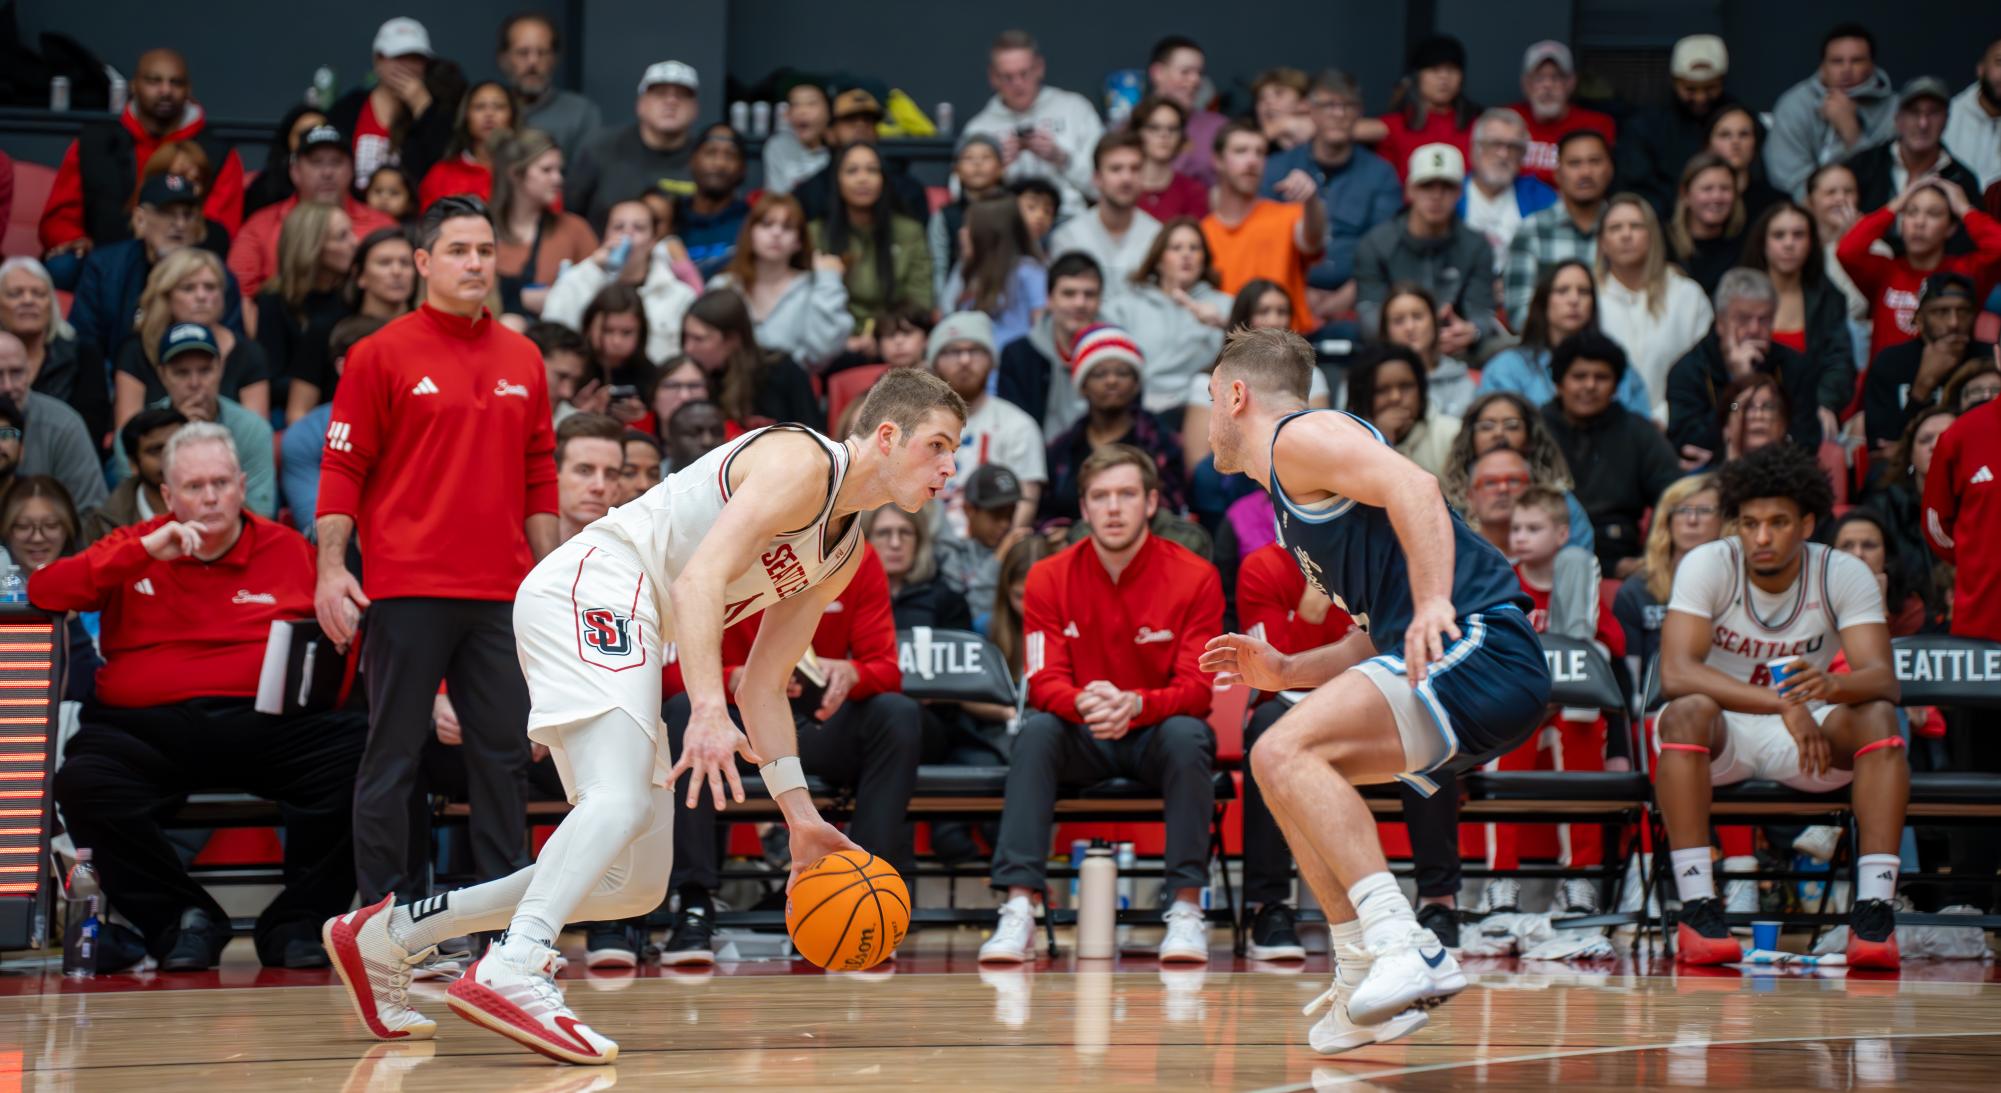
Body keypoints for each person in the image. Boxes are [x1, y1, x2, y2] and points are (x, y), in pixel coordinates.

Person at [324, 368, 963, 1058]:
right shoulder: (800, 460)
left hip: (634, 615)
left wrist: (800, 816)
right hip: (596, 582)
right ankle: (514, 960)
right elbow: (697, 581)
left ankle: (390, 936)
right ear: (889, 436)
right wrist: (706, 712)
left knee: (630, 885)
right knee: (618, 801)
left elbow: (765, 683)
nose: (949, 467)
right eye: (938, 445)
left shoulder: (844, 552)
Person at [1197, 327, 1549, 1053]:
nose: (1206, 420)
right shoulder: (1296, 492)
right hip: (1450, 658)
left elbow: (1414, 485)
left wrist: (1429, 601)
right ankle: (1361, 959)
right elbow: (1371, 631)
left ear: (1236, 395)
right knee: (1281, 761)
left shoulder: (1299, 435)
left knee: (1284, 746)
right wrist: (1287, 671)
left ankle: (1404, 941)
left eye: (1208, 400)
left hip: (1480, 643)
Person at [41, 422, 367, 971]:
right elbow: (48, 590)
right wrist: (144, 550)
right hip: (144, 729)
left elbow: (346, 637)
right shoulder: (136, 545)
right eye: (193, 487)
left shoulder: (290, 549)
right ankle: (182, 920)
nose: (210, 497)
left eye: (221, 482)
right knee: (85, 782)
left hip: (267, 725)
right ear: (168, 495)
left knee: (367, 759)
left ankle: (299, 921)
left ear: (243, 485)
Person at [314, 196, 561, 910]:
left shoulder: (524, 356)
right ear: (423, 262)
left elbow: (540, 470)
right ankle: (381, 926)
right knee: (392, 759)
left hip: (501, 593)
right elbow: (343, 468)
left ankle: (500, 936)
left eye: (485, 249)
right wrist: (332, 568)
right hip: (406, 587)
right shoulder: (378, 353)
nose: (475, 262)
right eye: (458, 250)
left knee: (502, 763)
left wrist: (547, 579)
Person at [1657, 444, 1906, 968]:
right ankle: (1699, 908)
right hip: (1723, 734)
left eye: (1777, 522)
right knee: (1685, 710)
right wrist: (1782, 704)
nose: (1761, 537)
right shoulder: (1709, 563)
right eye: (1749, 523)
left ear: (1808, 523)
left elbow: (1882, 678)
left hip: (1809, 737)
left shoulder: (1842, 572)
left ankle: (1873, 915)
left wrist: (1828, 691)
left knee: (1880, 718)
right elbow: (1676, 672)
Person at [979, 445, 1221, 964]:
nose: (1113, 508)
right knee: (1035, 731)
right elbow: (1042, 681)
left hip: (1154, 734)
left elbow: (1198, 690)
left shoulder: (1196, 576)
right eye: (1101, 497)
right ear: (1084, 508)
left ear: (1152, 502)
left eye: (1127, 495)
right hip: (1081, 731)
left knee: (1189, 735)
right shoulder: (1047, 576)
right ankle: (1018, 909)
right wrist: (1090, 702)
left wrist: (1136, 704)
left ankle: (1185, 912)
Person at [657, 529, 925, 967]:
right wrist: (726, 678)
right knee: (687, 711)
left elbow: (887, 668)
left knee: (897, 715)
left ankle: (868, 881)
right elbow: (664, 670)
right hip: (736, 727)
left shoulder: (853, 553)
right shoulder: (713, 553)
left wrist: (852, 674)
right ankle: (692, 903)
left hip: (818, 724)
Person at [1483, 485, 1625, 917]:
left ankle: (1579, 877)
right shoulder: (1504, 579)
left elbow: (1603, 653)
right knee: (1508, 741)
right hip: (1520, 703)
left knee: (1582, 726)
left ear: (1562, 534)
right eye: (1516, 528)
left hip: (1568, 704)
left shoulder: (1580, 577)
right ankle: (1501, 878)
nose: (1520, 536)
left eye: (1534, 528)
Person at [37, 48, 244, 257]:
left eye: (176, 83)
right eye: (154, 81)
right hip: (101, 257)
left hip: (184, 262)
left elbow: (220, 230)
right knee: (63, 265)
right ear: (134, 86)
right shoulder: (93, 143)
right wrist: (75, 241)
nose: (165, 90)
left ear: (189, 90)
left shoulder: (217, 152)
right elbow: (59, 218)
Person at [1261, 70, 1402, 329]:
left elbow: (1385, 247)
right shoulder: (1276, 168)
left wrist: (1345, 297)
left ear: (1359, 112)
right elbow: (1263, 239)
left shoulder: (1380, 173)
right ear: (1311, 112)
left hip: (1359, 300)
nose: (1338, 114)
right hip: (1283, 298)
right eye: (1329, 105)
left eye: (1347, 105)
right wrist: (1294, 290)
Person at [1540, 331, 1682, 575]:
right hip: (1543, 553)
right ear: (1559, 383)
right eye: (1579, 376)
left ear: (1616, 385)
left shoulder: (1638, 431)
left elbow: (1674, 496)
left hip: (1622, 556)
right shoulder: (1536, 429)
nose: (1590, 385)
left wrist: (1653, 555)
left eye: (1601, 377)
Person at [71, 174, 246, 364]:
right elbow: (84, 341)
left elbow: (234, 347)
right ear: (140, 219)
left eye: (187, 215)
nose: (180, 224)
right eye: (167, 213)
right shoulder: (104, 267)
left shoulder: (217, 277)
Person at [1667, 268, 1827, 467]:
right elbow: (1689, 444)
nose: (1754, 329)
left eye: (1764, 320)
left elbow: (1807, 440)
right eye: (1743, 319)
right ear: (1720, 323)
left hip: (1779, 474)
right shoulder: (1688, 370)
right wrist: (1739, 386)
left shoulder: (1794, 366)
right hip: (1714, 479)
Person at [1354, 145, 1495, 355]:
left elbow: (1481, 312)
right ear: (1410, 190)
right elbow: (1369, 316)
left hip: (1455, 349)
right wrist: (1417, 336)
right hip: (1393, 349)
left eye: (1446, 186)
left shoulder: (1477, 246)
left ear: (1459, 192)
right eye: (1427, 186)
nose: (1436, 196)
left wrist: (1471, 332)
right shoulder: (1375, 244)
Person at [1838, 176, 2001, 356]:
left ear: (1951, 228)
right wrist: (1896, 204)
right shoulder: (1884, 271)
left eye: (1933, 213)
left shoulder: (1964, 272)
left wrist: (1965, 209)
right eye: (1911, 212)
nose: (1919, 223)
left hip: (1948, 378)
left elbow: (1998, 247)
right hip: (1886, 380)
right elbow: (1847, 251)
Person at [1039, 323, 1185, 521]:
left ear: (1136, 384)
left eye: (1122, 373)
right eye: (1099, 374)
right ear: (1082, 386)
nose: (1111, 381)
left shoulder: (1160, 441)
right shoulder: (1062, 449)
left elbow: (1171, 509)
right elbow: (1045, 513)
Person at [229, 125, 396, 298]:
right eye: (316, 162)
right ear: (295, 171)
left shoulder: (382, 226)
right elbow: (239, 294)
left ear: (352, 170)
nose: (327, 172)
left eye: (336, 162)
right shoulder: (260, 225)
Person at [112, 248, 270, 431]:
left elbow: (257, 434)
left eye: (210, 287)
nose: (202, 296)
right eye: (188, 288)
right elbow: (126, 439)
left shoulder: (249, 353)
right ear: (166, 296)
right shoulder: (136, 351)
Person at [962, 30, 1104, 219]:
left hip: (1069, 217)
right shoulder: (979, 128)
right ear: (993, 77)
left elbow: (1104, 186)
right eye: (1007, 77)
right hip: (1004, 223)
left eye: (1024, 73)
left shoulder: (1075, 109)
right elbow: (961, 196)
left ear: (1039, 68)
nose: (1018, 84)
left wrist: (1061, 158)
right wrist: (996, 168)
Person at [1594, 193, 1712, 415]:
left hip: (1677, 427)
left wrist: (1664, 417)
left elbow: (1705, 372)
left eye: (1636, 226)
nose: (1626, 235)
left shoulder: (1688, 296)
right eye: (1615, 228)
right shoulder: (1590, 298)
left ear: (1652, 236)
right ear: (1603, 243)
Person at [1204, 121, 1327, 336]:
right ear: (1218, 160)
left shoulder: (1289, 214)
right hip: (1230, 348)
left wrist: (1312, 200)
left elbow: (1313, 239)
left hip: (1289, 347)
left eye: (1260, 153)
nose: (1252, 161)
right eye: (1241, 151)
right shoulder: (1202, 232)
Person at [1484, 259, 1649, 415]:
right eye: (1562, 291)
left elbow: (1639, 430)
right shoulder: (1507, 368)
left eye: (1583, 292)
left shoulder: (1616, 365)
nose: (1574, 300)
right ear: (1544, 300)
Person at [282, 228, 415, 421]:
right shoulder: (327, 329)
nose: (397, 271)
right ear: (359, 275)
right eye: (384, 263)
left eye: (405, 263)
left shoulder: (430, 330)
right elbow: (298, 412)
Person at [708, 193, 851, 373]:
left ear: (799, 241)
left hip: (792, 388)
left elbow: (824, 351)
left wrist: (829, 280)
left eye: (787, 227)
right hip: (728, 382)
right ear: (750, 233)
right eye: (767, 224)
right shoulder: (723, 286)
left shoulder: (815, 287)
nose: (776, 233)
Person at [545, 199, 699, 362]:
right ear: (605, 235)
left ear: (653, 240)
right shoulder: (582, 281)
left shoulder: (678, 295)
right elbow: (553, 326)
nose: (627, 234)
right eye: (618, 227)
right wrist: (591, 265)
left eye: (638, 228)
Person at [811, 144, 933, 349]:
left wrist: (882, 335)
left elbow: (921, 300)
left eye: (872, 170)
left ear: (884, 179)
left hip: (895, 340)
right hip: (833, 343)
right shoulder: (814, 233)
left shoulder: (909, 231)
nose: (863, 178)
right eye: (852, 170)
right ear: (837, 180)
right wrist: (848, 341)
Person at [1440, 391, 1595, 551]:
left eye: (1512, 426)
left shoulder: (1558, 499)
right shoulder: (1452, 502)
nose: (1498, 433)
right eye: (1486, 427)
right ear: (1470, 438)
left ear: (1530, 437)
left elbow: (1578, 557)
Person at [1111, 217, 1234, 418]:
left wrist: (1223, 324)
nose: (1186, 254)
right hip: (1140, 409)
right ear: (1158, 261)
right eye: (1176, 248)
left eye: (1194, 248)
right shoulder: (1126, 307)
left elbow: (1255, 352)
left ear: (1204, 260)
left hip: (1202, 410)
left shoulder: (1226, 305)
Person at [930, 311, 1044, 526]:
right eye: (953, 351)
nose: (965, 360)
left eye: (975, 351)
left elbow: (1025, 502)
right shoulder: (915, 424)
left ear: (992, 361)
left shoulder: (1019, 425)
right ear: (935, 362)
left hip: (992, 550)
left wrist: (997, 557)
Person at [330, 18, 464, 192]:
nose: (408, 67)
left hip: (417, 215)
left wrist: (424, 108)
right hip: (356, 214)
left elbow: (445, 170)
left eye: (416, 59)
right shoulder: (350, 108)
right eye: (399, 57)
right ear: (378, 59)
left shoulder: (440, 111)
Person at [1766, 23, 1900, 197]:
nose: (1846, 70)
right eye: (1837, 61)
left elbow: (1890, 179)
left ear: (1871, 65)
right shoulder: (1794, 104)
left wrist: (1851, 132)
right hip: (1806, 212)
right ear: (1823, 66)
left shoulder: (1895, 109)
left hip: (1874, 210)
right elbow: (1787, 177)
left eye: (1856, 60)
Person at [1862, 272, 1990, 450]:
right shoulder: (1891, 363)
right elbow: (1882, 446)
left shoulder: (1990, 360)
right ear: (1919, 320)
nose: (1954, 322)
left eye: (1963, 311)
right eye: (1941, 312)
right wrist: (1923, 386)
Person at [567, 61, 700, 231]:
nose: (671, 101)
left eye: (682, 95)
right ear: (641, 104)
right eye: (660, 93)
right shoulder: (600, 148)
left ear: (695, 108)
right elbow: (569, 217)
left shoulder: (705, 158)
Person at [1612, 473, 1721, 676]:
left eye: (1705, 511)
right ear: (1667, 520)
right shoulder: (1636, 590)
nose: (1692, 520)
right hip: (1658, 703)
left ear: (1724, 519)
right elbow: (1629, 684)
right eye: (1682, 510)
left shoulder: (1738, 585)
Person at [280, 316, 382, 535]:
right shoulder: (304, 435)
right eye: (376, 360)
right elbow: (314, 527)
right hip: (345, 550)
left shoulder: (421, 423)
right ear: (343, 366)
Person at [1617, 34, 1735, 221]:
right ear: (1675, 81)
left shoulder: (1737, 121)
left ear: (1722, 81)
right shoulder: (1645, 126)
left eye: (1710, 88)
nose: (1700, 98)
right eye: (1690, 89)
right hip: (1664, 224)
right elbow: (1637, 186)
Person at [1502, 130, 1613, 326]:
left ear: (1610, 169)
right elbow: (1520, 314)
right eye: (1574, 163)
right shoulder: (1531, 231)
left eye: (1594, 161)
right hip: (1550, 351)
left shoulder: (1626, 229)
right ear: (1558, 174)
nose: (1586, 172)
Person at [251, 202, 354, 413]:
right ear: (312, 247)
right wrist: (317, 382)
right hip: (298, 411)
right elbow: (271, 378)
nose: (355, 241)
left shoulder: (354, 295)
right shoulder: (273, 301)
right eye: (342, 236)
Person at [0, 258, 110, 449]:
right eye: (15, 294)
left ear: (51, 304)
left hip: (65, 458)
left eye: (39, 293)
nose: (28, 301)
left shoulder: (83, 355)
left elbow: (91, 431)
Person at [487, 129, 597, 319]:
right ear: (515, 174)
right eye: (547, 170)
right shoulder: (483, 230)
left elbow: (601, 297)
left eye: (560, 170)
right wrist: (518, 299)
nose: (558, 179)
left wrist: (557, 299)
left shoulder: (574, 230)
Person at [999, 252, 1106, 442]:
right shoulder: (1019, 355)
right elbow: (1011, 429)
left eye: (1089, 294)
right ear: (1049, 299)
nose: (1079, 303)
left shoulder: (1117, 353)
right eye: (1069, 293)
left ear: (1100, 301)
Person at [679, 289, 821, 431]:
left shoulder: (783, 371)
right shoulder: (688, 378)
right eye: (685, 336)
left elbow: (816, 435)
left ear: (732, 340)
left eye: (699, 339)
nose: (688, 348)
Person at [0, 333, 108, 515]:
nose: (8, 386)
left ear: (29, 372)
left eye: (16, 373)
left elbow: (91, 513)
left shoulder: (63, 425)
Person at [790, 90, 933, 224]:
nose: (861, 124)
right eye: (849, 119)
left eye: (869, 119)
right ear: (830, 133)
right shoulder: (808, 193)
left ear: (877, 131)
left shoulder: (907, 189)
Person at [1847, 78, 1982, 218]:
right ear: (1898, 119)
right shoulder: (1864, 166)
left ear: (1946, 120)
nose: (1923, 124)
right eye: (1914, 112)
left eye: (1933, 113)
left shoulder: (1962, 181)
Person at [1048, 131, 1159, 297]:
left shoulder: (1157, 235)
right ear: (1097, 178)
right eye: (1116, 169)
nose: (1126, 178)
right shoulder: (1068, 238)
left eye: (1135, 169)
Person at [1356, 35, 1479, 185]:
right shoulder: (1393, 125)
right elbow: (1334, 130)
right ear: (1417, 76)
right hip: (1405, 206)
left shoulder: (1478, 126)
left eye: (1452, 69)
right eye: (1434, 69)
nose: (1444, 77)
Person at [1458, 109, 1557, 276]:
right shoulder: (1452, 194)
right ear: (1476, 148)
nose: (1503, 154)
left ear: (1523, 155)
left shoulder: (1541, 197)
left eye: (1513, 147)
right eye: (1495, 144)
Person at [935, 463, 1032, 631]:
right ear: (968, 509)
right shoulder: (952, 555)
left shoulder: (1019, 550)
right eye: (996, 514)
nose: (1005, 523)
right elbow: (970, 616)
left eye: (1010, 514)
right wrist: (998, 560)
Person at [1508, 41, 1617, 187]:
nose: (1548, 86)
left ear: (1571, 83)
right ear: (1525, 84)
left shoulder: (1597, 124)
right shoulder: (1506, 120)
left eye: (1556, 77)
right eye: (1539, 78)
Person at [1343, 345, 1461, 477]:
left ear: (1421, 390)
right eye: (1381, 390)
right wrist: (1382, 442)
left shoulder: (1453, 434)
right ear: (1361, 397)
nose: (1395, 397)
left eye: (1405, 386)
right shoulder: (1347, 444)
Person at [945, 199, 1046, 350]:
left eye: (968, 226)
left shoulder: (1028, 272)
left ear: (987, 234)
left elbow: (1042, 328)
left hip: (1014, 367)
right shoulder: (969, 272)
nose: (961, 232)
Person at [497, 12, 602, 157]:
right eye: (523, 52)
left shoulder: (581, 113)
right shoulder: (489, 112)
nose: (533, 61)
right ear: (503, 59)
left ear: (555, 59)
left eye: (542, 52)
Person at [86, 406, 186, 542]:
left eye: (178, 446)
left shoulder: (216, 505)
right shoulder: (106, 524)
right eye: (156, 450)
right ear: (133, 463)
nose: (170, 458)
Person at [1832, 508, 1937, 637]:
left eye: (1869, 545)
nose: (1858, 554)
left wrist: (1878, 609)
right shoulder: (1813, 598)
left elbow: (1883, 654)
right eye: (1847, 546)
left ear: (1887, 556)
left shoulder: (1910, 608)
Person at [1375, 284, 1475, 420]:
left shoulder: (1461, 382)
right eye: (1398, 321)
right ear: (1385, 331)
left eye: (1417, 317)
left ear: (1434, 323)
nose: (1409, 327)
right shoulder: (1367, 380)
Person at [929, 136, 1010, 304]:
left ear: (1001, 168)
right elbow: (938, 266)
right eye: (968, 158)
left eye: (986, 157)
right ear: (956, 170)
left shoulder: (1013, 211)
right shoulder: (945, 216)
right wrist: (940, 304)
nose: (977, 164)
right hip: (958, 298)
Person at [417, 80, 519, 212]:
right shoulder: (441, 174)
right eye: (479, 107)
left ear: (512, 116)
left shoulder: (527, 172)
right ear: (466, 116)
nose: (489, 114)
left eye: (499, 107)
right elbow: (428, 227)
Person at [868, 503, 972, 630]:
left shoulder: (947, 601)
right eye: (883, 533)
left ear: (919, 540)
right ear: (866, 539)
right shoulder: (850, 597)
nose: (895, 543)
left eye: (905, 532)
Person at [1144, 36, 1227, 188]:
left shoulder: (1219, 128)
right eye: (1185, 72)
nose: (1195, 80)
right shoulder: (1129, 127)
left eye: (1199, 73)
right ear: (1158, 73)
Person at [1667, 152, 1748, 295]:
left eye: (1725, 189)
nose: (1716, 197)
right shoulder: (1664, 244)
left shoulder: (1745, 246)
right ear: (1685, 194)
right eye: (1707, 189)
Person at [677, 125, 750, 278]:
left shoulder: (752, 222)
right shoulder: (671, 218)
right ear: (692, 160)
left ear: (743, 168)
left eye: (730, 155)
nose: (719, 163)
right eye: (710, 153)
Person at [1131, 96, 1210, 222]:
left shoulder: (1194, 192)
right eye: (1154, 127)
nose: (1164, 135)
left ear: (1181, 137)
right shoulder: (1123, 187)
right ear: (1138, 132)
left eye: (1172, 129)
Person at [241, 106, 329, 219]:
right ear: (287, 139)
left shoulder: (343, 185)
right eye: (302, 135)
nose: (310, 140)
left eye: (317, 131)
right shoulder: (262, 191)